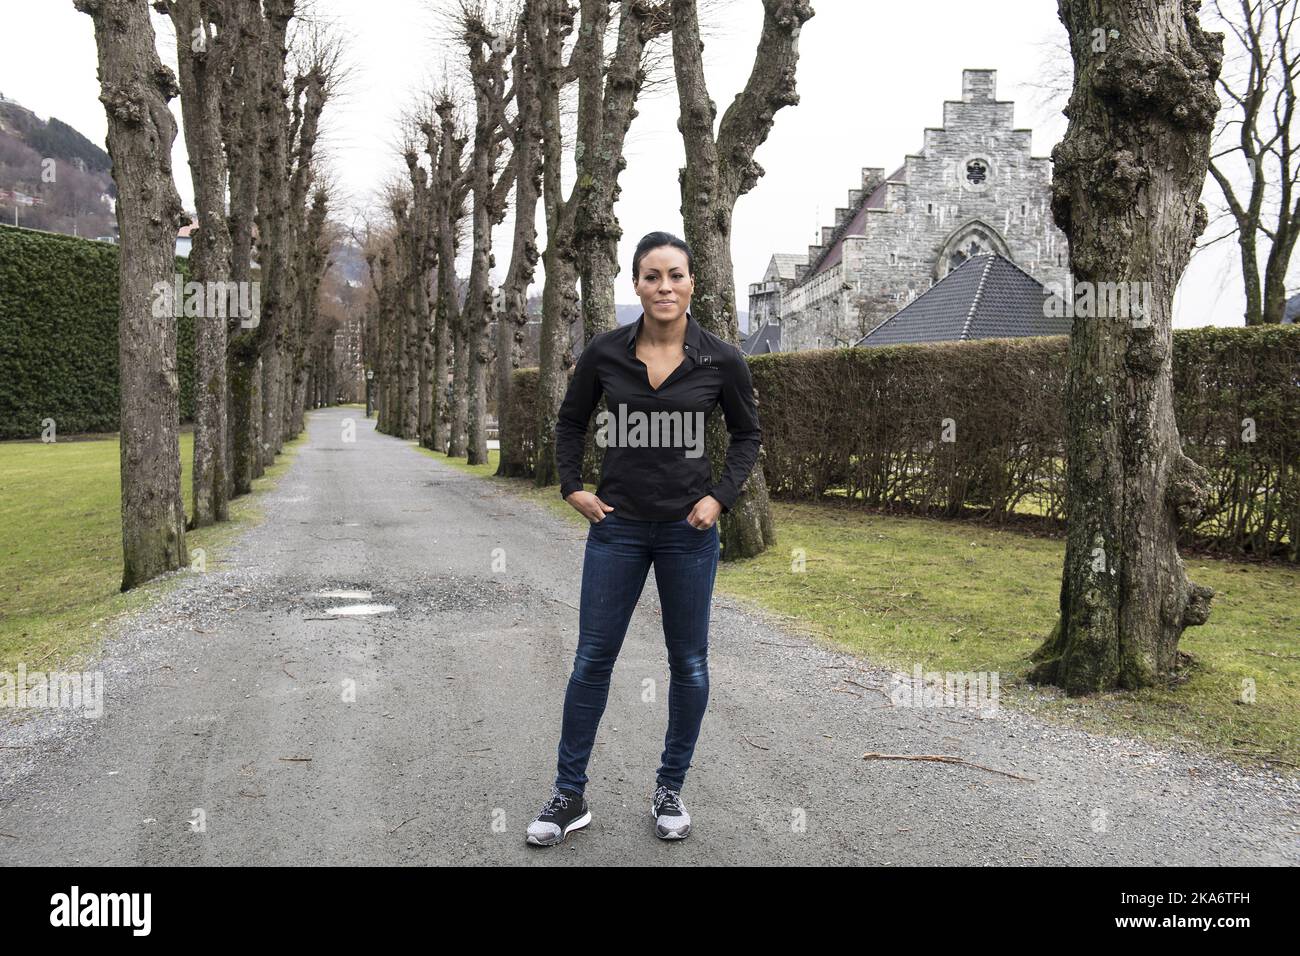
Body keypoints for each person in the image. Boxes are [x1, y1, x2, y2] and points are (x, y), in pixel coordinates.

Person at [526, 231, 762, 846]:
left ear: (693, 285)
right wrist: (572, 486)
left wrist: (719, 498)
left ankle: (669, 789)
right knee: (591, 661)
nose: (665, 287)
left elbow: (746, 438)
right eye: (652, 276)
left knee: (687, 662)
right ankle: (568, 794)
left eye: (676, 275)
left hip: (688, 534)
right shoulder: (605, 353)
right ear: (635, 284)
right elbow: (571, 422)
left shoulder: (720, 360)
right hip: (618, 530)